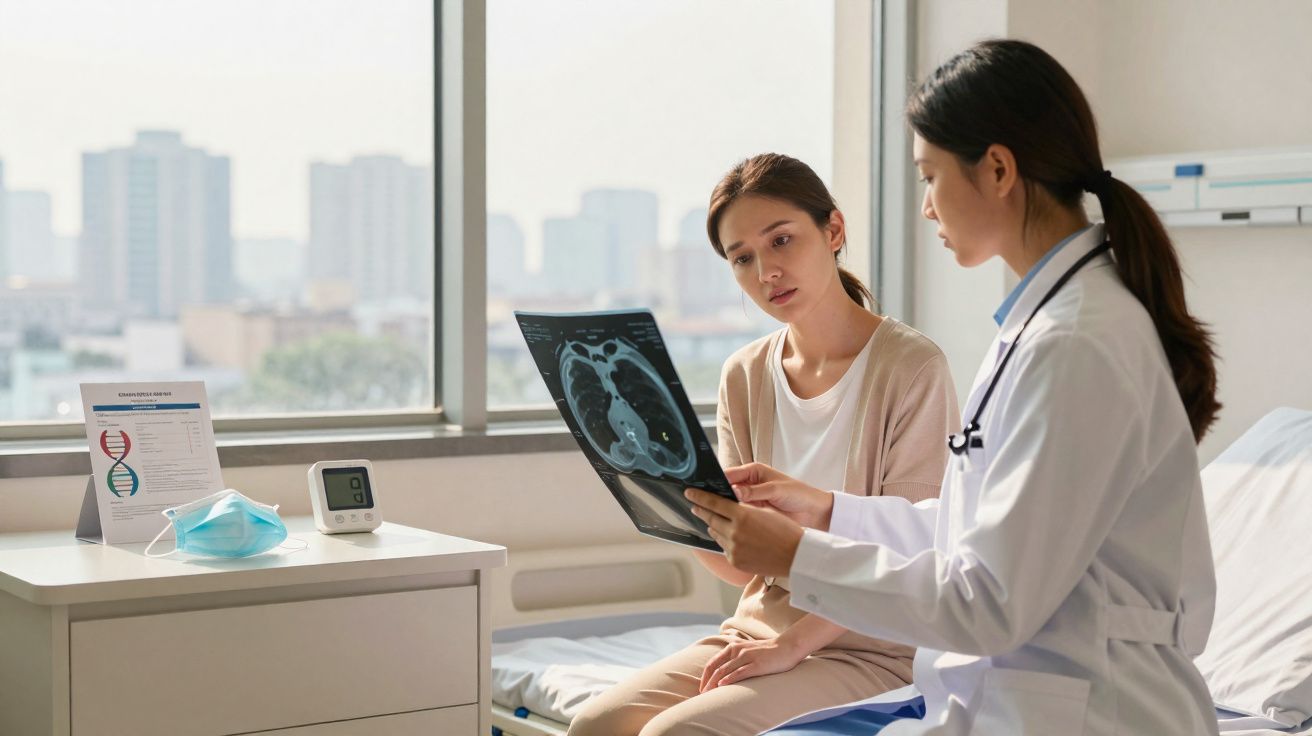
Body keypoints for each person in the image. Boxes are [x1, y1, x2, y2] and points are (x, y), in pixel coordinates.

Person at [688, 39, 1223, 736]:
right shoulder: (1043, 325)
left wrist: (794, 554)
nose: (926, 209)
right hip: (1015, 699)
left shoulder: (1076, 344)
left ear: (997, 169)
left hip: (1092, 712)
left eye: (929, 177)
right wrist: (823, 510)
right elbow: (972, 534)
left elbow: (988, 601)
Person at [567, 153, 958, 736]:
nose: (766, 271)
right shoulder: (744, 374)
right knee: (596, 726)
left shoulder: (912, 367)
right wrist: (660, 501)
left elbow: (913, 552)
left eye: (781, 241)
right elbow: (740, 566)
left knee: (671, 735)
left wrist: (793, 648)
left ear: (833, 231)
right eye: (742, 258)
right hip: (757, 631)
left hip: (874, 644)